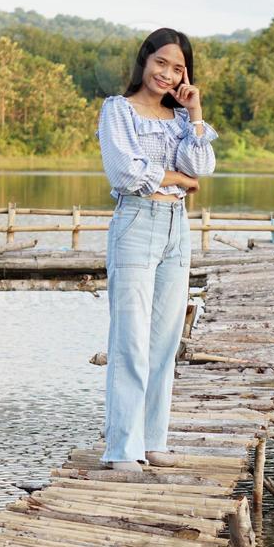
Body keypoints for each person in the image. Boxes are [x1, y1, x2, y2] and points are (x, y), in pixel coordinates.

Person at [97, 28, 218, 472]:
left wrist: (196, 111)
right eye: (161, 63)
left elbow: (202, 165)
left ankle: (152, 440)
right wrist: (178, 179)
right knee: (130, 340)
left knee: (165, 339)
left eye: (178, 68)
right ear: (144, 61)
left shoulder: (184, 120)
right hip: (136, 221)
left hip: (176, 227)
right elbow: (125, 173)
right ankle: (121, 449)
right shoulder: (119, 111)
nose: (167, 74)